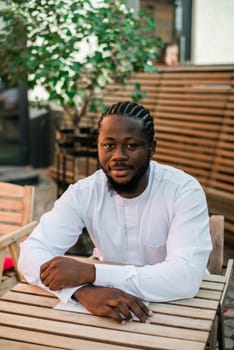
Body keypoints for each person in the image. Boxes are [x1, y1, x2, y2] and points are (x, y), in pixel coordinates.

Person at [18, 101, 212, 324]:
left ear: (152, 148)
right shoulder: (84, 192)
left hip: (178, 304)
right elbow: (32, 252)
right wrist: (82, 291)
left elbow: (185, 277)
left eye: (131, 146)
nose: (118, 155)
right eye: (109, 145)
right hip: (107, 304)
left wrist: (92, 274)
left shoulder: (183, 191)